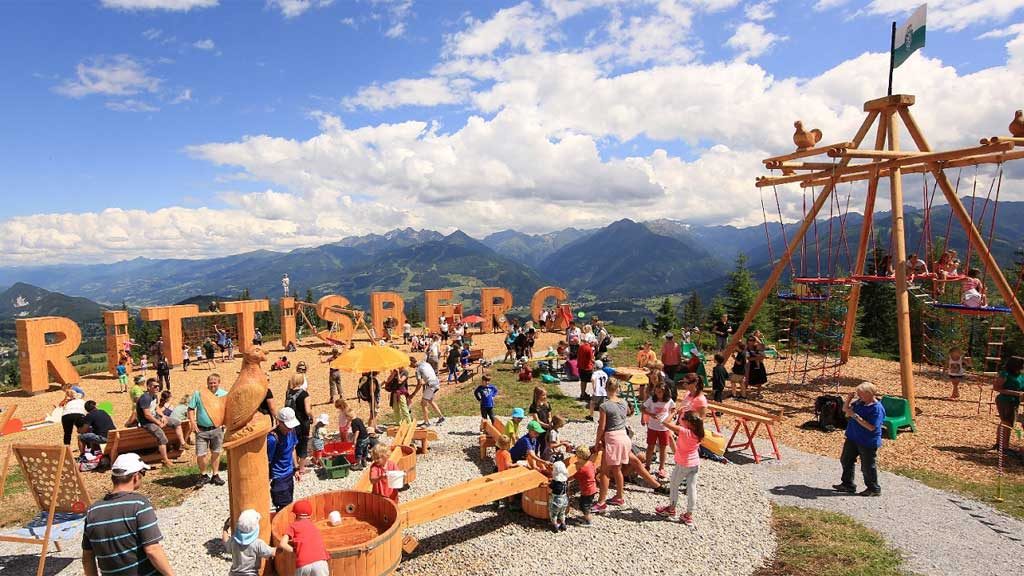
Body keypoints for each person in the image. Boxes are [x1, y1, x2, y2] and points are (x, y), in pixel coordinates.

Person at [82, 454, 174, 576]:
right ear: (136, 477)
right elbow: (152, 550)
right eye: (143, 473)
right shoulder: (139, 505)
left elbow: (87, 557)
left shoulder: (92, 511)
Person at [833, 383, 885, 497]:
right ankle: (847, 484)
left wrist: (855, 416)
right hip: (853, 437)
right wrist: (848, 399)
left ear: (869, 394)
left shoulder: (877, 409)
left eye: (861, 394)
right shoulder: (860, 403)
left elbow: (872, 427)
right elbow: (845, 410)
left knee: (867, 466)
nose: (859, 396)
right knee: (846, 460)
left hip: (867, 441)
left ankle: (873, 488)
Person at [656, 411, 704, 525]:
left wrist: (673, 413)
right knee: (692, 489)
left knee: (674, 485)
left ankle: (671, 508)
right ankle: (689, 514)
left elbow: (665, 423)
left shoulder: (684, 431)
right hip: (694, 463)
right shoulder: (699, 432)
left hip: (683, 463)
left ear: (688, 422)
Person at [592, 380, 633, 512]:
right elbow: (627, 414)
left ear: (605, 387)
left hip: (613, 438)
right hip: (624, 437)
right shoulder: (624, 402)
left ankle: (601, 502)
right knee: (617, 469)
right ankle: (619, 496)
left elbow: (602, 426)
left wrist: (597, 441)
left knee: (604, 472)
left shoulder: (605, 406)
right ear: (618, 388)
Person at [188, 373, 228, 487]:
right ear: (207, 383)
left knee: (216, 452)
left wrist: (225, 423)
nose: (212, 385)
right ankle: (203, 475)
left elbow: (228, 410)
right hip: (201, 430)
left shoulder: (224, 394)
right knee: (201, 454)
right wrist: (192, 422)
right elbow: (190, 409)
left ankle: (215, 475)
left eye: (215, 383)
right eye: (210, 383)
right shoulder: (199, 394)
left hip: (217, 429)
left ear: (219, 383)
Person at [136, 378, 184, 467]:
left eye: (158, 386)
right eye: (155, 386)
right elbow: (147, 415)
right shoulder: (145, 398)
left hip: (155, 417)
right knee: (162, 438)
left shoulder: (154, 395)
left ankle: (183, 444)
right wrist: (158, 422)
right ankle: (165, 460)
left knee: (177, 422)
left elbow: (157, 408)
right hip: (147, 422)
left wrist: (163, 416)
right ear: (148, 387)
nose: (157, 388)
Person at [279, 500, 329, 576]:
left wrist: (295, 550)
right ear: (310, 515)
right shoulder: (314, 527)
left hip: (303, 564)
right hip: (320, 563)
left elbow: (282, 544)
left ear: (296, 515)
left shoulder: (293, 526)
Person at [222, 508, 275, 576]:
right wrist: (283, 546)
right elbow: (273, 552)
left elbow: (225, 542)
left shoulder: (234, 540)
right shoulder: (258, 544)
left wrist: (225, 528)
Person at [268, 407, 301, 511]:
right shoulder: (272, 439)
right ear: (279, 422)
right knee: (283, 507)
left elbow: (292, 449)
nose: (290, 429)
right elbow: (267, 461)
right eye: (287, 426)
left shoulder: (292, 431)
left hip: (289, 474)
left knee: (289, 503)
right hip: (278, 477)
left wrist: (296, 468)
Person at [642, 384, 674, 479]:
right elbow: (642, 408)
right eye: (656, 391)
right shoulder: (651, 400)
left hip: (664, 428)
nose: (658, 393)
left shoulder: (669, 401)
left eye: (660, 391)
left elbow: (673, 410)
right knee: (650, 446)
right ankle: (647, 466)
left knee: (663, 448)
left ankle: (662, 468)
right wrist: (650, 414)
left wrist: (668, 420)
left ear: (665, 391)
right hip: (652, 427)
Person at [994, 356, 1024, 452]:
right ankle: (1004, 446)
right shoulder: (1005, 374)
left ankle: (999, 444)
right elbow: (997, 388)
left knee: (1005, 422)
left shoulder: (1020, 375)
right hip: (1005, 400)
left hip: (1014, 401)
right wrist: (1016, 393)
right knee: (1007, 423)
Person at [285, 374, 312, 471]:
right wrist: (312, 416)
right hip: (302, 422)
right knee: (303, 444)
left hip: (291, 422)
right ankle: (301, 468)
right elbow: (307, 410)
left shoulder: (288, 393)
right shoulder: (304, 394)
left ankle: (295, 465)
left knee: (293, 444)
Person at [410, 356, 445, 427]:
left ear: (412, 362)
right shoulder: (425, 363)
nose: (410, 366)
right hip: (436, 382)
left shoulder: (418, 370)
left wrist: (413, 394)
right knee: (430, 400)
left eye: (410, 365)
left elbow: (419, 383)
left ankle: (426, 422)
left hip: (431, 385)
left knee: (423, 403)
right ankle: (441, 417)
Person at [572, 445, 598, 526]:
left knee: (585, 506)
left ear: (580, 458)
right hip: (592, 488)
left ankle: (588, 521)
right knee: (585, 504)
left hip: (587, 491)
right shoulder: (590, 463)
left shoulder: (583, 470)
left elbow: (574, 476)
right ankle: (586, 517)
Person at [548, 453, 569, 532]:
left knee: (554, 514)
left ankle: (555, 526)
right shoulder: (565, 481)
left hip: (556, 501)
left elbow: (549, 490)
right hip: (564, 499)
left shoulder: (555, 482)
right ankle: (563, 524)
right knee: (562, 513)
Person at [577, 337, 594, 401]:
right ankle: (596, 395)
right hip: (587, 368)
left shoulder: (581, 346)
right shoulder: (589, 349)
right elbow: (591, 359)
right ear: (590, 342)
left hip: (581, 367)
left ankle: (583, 394)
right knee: (593, 381)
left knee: (583, 381)